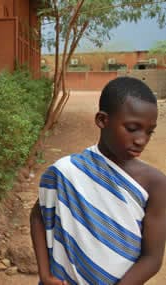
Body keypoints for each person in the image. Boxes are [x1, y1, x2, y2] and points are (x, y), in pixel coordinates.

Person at [30, 76, 166, 285]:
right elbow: (38, 216)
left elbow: (152, 258)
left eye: (149, 132)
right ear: (102, 120)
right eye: (132, 128)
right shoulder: (66, 171)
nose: (141, 140)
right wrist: (46, 275)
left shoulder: (155, 184)